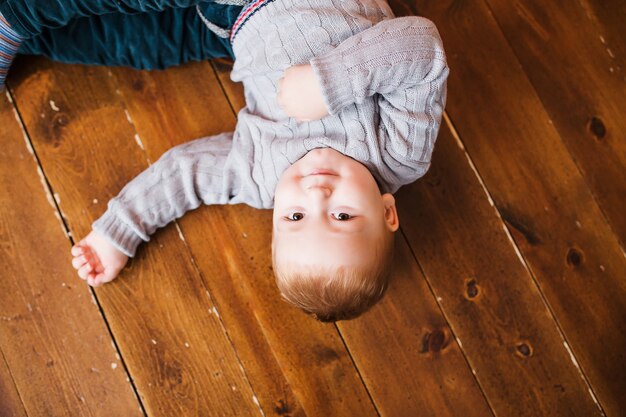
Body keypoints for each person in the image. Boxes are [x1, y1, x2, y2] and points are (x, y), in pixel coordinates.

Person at [2, 0, 448, 321]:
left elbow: (188, 174)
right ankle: (16, 14)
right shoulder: (400, 152)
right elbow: (423, 49)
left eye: (295, 216)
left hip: (232, 24)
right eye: (342, 214)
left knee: (132, 46)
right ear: (388, 211)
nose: (316, 193)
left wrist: (120, 232)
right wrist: (324, 83)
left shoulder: (262, 177)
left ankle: (25, 33)